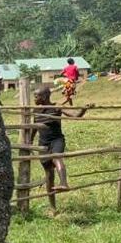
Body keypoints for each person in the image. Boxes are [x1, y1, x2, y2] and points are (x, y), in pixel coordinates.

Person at [30, 86, 93, 214]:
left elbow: (75, 116)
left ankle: (64, 183)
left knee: (56, 157)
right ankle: (53, 208)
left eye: (37, 96)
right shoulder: (36, 111)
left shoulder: (56, 107)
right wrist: (30, 143)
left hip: (56, 140)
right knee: (49, 175)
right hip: (43, 144)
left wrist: (84, 109)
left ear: (45, 96)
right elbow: (34, 129)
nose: (35, 98)